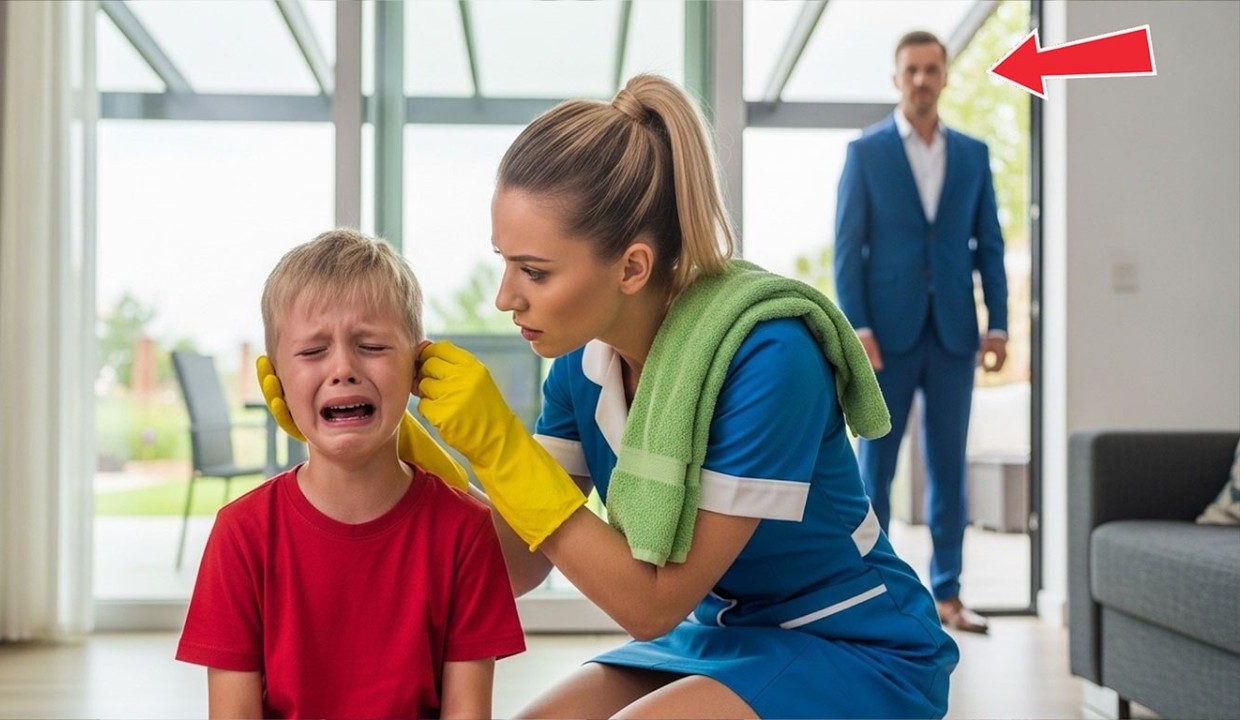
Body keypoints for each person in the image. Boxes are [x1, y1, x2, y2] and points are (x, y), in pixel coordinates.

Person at [414, 74, 958, 720]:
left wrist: (504, 448)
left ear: (633, 267)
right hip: (717, 637)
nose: (505, 296)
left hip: (854, 643)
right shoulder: (580, 365)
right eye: (504, 262)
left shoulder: (769, 356)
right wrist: (393, 448)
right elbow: (513, 564)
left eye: (534, 271)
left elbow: (650, 605)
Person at [176, 229, 525, 719]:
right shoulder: (242, 534)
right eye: (313, 351)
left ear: (417, 367)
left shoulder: (465, 532)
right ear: (276, 376)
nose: (342, 368)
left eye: (373, 346)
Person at [833, 30, 1009, 634]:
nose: (921, 79)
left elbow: (989, 245)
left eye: (932, 69)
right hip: (886, 336)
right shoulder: (866, 153)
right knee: (873, 469)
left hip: (956, 335)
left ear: (945, 76)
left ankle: (948, 597)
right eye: (911, 69)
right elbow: (847, 249)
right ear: (896, 77)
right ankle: (871, 594)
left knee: (948, 467)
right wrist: (858, 326)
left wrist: (1000, 325)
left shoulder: (972, 154)